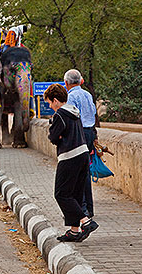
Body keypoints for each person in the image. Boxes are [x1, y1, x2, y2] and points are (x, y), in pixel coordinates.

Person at [44, 83, 99, 242]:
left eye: (49, 103)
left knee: (61, 194)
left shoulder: (60, 114)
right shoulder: (75, 113)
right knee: (74, 194)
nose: (50, 106)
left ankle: (85, 221)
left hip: (69, 156)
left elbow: (53, 137)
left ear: (55, 100)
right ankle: (74, 231)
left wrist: (57, 135)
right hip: (82, 154)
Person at [64, 69, 98, 219]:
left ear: (66, 83)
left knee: (76, 172)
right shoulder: (87, 95)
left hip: (79, 135)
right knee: (85, 171)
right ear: (81, 81)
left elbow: (72, 118)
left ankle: (81, 209)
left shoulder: (71, 97)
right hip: (90, 133)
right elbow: (93, 115)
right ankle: (89, 208)